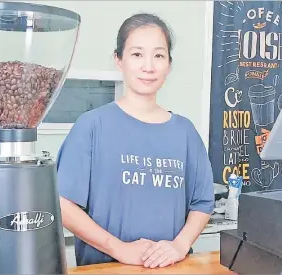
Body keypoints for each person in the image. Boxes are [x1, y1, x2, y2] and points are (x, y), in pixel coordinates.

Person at [56, 13, 214, 269]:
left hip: (171, 270)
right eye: (137, 54)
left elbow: (203, 202)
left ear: (169, 64)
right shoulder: (92, 126)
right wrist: (120, 249)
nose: (148, 66)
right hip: (105, 269)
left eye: (159, 55)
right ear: (119, 60)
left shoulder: (185, 132)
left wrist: (179, 245)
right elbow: (62, 204)